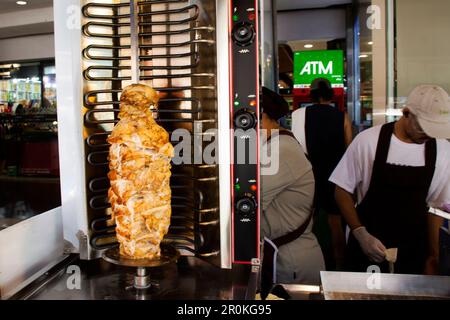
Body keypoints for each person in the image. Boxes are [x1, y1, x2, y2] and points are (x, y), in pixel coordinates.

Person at [330, 84, 450, 275]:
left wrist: (433, 257)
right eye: (423, 127)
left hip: (414, 251)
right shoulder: (368, 141)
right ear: (406, 113)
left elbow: (436, 210)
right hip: (367, 248)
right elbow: (341, 191)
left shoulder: (443, 151)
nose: (428, 134)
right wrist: (359, 232)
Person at [260, 87, 324, 298]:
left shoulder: (281, 150)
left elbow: (246, 202)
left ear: (261, 116)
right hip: (282, 259)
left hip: (292, 264)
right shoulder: (270, 146)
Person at [291, 77, 352, 270]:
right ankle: (340, 265)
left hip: (310, 175)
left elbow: (296, 148)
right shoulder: (342, 116)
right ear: (330, 94)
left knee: (307, 221)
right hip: (335, 175)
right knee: (336, 223)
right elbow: (349, 149)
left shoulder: (300, 114)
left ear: (312, 94)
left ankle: (305, 264)